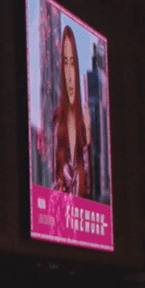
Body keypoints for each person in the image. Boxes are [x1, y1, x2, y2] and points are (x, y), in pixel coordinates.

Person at [52, 27, 92, 198]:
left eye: (72, 63)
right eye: (65, 62)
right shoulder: (57, 121)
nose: (69, 73)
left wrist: (88, 137)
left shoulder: (84, 124)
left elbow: (89, 185)